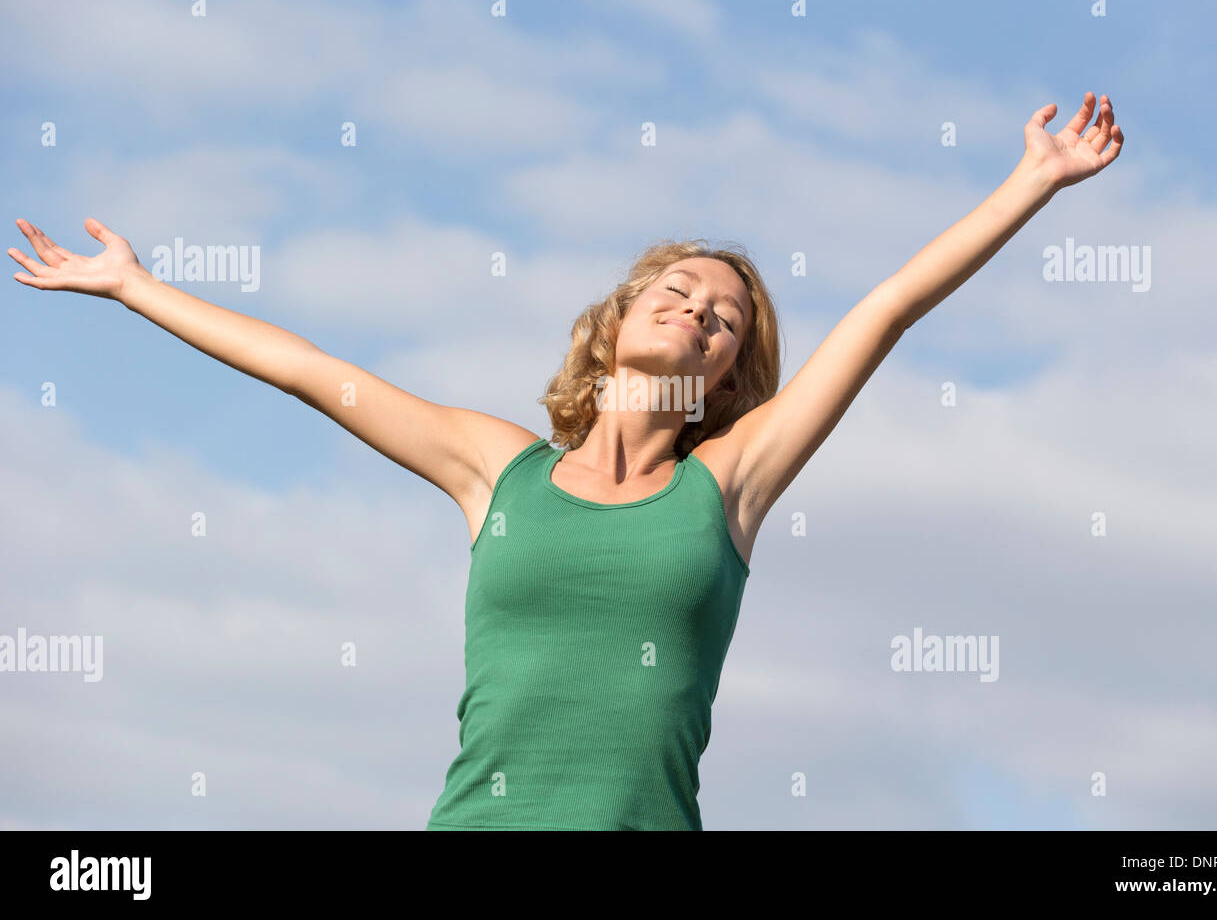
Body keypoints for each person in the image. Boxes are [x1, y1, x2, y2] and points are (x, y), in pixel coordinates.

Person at [9, 94, 1123, 830]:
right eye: (676, 289)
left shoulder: (728, 479)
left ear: (731, 374)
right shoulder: (496, 468)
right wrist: (134, 286)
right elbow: (310, 367)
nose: (697, 309)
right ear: (620, 316)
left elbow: (884, 309)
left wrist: (1032, 181)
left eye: (725, 317)